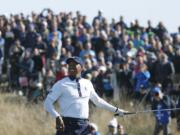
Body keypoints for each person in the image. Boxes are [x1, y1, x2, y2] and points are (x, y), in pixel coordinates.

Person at [44, 56, 128, 135]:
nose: (71, 66)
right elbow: (47, 103)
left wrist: (117, 110)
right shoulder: (61, 84)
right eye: (69, 65)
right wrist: (57, 116)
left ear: (82, 68)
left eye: (74, 64)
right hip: (66, 125)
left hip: (84, 126)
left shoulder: (87, 83)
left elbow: (98, 101)